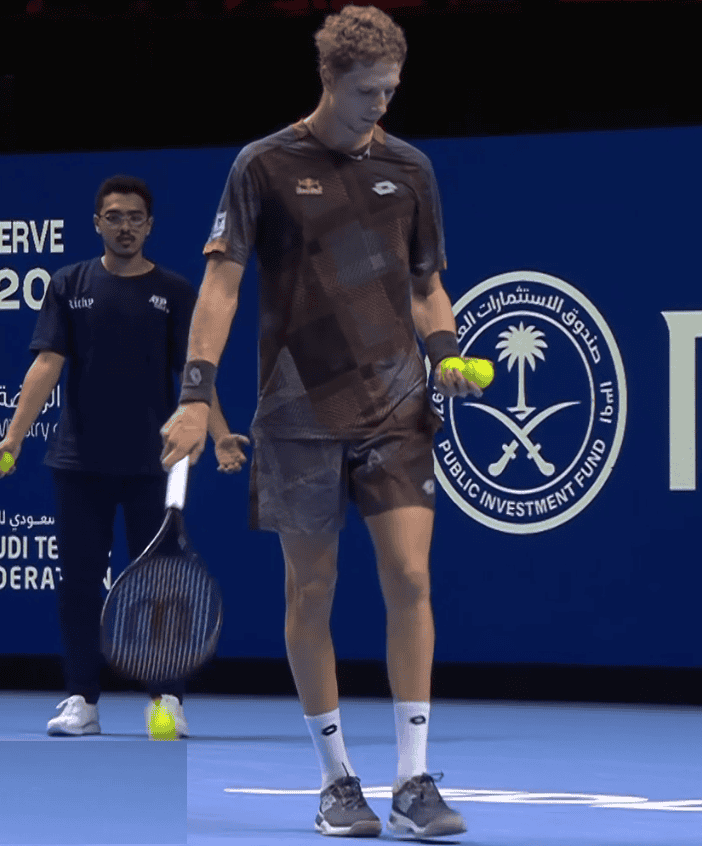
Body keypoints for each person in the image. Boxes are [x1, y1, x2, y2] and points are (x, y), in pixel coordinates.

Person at [160, 4, 478, 837]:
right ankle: (338, 782)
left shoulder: (411, 169)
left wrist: (445, 352)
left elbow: (425, 285)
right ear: (330, 78)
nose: (382, 104)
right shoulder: (263, 166)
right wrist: (195, 394)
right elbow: (222, 285)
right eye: (368, 90)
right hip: (297, 412)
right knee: (312, 589)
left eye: (392, 89)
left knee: (411, 578)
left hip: (397, 407)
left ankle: (413, 780)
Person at [0, 175, 249, 739]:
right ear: (97, 223)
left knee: (159, 587)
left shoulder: (175, 292)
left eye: (136, 217)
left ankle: (166, 701)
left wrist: (220, 436)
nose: (125, 226)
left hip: (154, 466)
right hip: (78, 464)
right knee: (79, 585)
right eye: (114, 216)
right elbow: (46, 365)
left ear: (150, 225)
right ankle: (81, 700)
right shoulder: (68, 284)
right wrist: (13, 438)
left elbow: (194, 377)